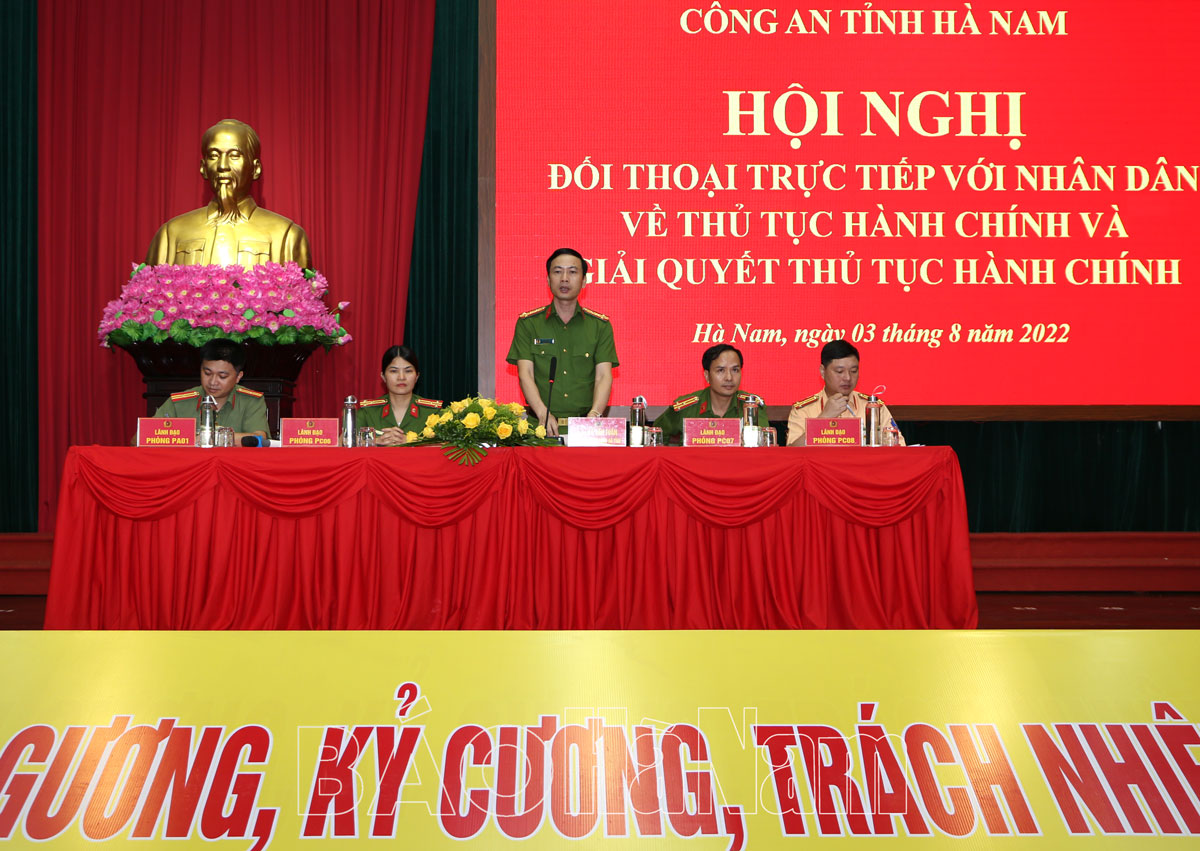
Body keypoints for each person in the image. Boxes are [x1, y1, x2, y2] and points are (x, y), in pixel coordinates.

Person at [145, 119, 311, 269]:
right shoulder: (171, 234)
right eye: (214, 156)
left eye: (234, 155)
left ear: (255, 169)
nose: (222, 166)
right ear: (203, 168)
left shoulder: (287, 235)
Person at [505, 248, 618, 435]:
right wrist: (543, 412)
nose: (564, 278)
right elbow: (526, 373)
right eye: (557, 272)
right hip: (540, 428)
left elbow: (603, 376)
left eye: (572, 272)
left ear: (584, 281)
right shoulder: (528, 324)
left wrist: (594, 415)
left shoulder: (600, 326)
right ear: (548, 279)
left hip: (585, 429)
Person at [786, 339, 905, 446]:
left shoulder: (873, 407)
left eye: (853, 371)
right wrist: (824, 418)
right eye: (839, 371)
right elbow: (792, 453)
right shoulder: (803, 410)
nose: (847, 378)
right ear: (822, 371)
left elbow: (898, 447)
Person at [150, 338, 270, 443]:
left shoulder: (250, 401)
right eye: (207, 373)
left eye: (222, 376)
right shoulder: (179, 403)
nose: (213, 382)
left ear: (238, 377)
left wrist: (210, 438)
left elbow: (259, 438)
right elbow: (146, 436)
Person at [653, 344, 768, 444]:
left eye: (735, 370)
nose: (729, 377)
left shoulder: (752, 407)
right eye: (721, 370)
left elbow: (764, 446)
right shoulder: (686, 408)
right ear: (707, 376)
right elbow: (655, 435)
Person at [358, 345, 444, 445]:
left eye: (408, 371)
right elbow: (346, 442)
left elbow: (449, 445)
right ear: (383, 376)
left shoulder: (433, 412)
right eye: (394, 371)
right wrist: (375, 441)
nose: (401, 377)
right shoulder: (368, 412)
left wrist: (412, 441)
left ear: (417, 376)